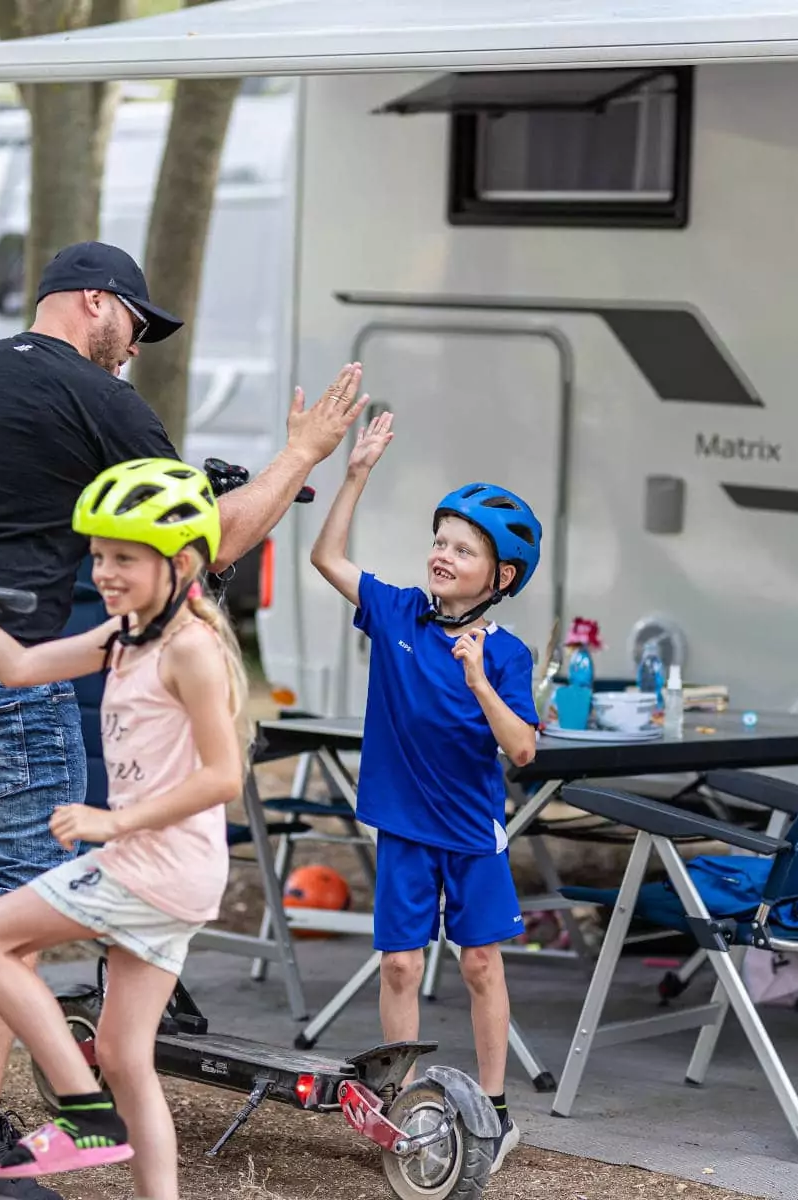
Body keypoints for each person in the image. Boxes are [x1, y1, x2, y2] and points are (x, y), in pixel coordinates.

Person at [0, 238, 365, 1194]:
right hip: (4, 685)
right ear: (99, 304)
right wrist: (302, 456)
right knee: (10, 906)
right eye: (137, 327)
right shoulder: (93, 395)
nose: (135, 349)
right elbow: (205, 537)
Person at [0, 458, 246, 1200]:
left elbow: (224, 777)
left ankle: (86, 1113)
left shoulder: (189, 647)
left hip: (155, 864)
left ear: (181, 562)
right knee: (126, 1055)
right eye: (97, 555)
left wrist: (112, 819)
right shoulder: (125, 635)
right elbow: (20, 665)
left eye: (124, 557)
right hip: (167, 871)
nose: (105, 572)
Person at [307, 411, 541, 1173]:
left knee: (480, 965)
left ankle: (496, 1114)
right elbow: (326, 555)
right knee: (401, 965)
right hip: (402, 825)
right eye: (440, 540)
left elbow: (523, 747)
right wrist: (357, 471)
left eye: (463, 548)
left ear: (500, 577)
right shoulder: (398, 611)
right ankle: (408, 1115)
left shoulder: (506, 653)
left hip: (472, 832)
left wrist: (477, 678)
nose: (442, 553)